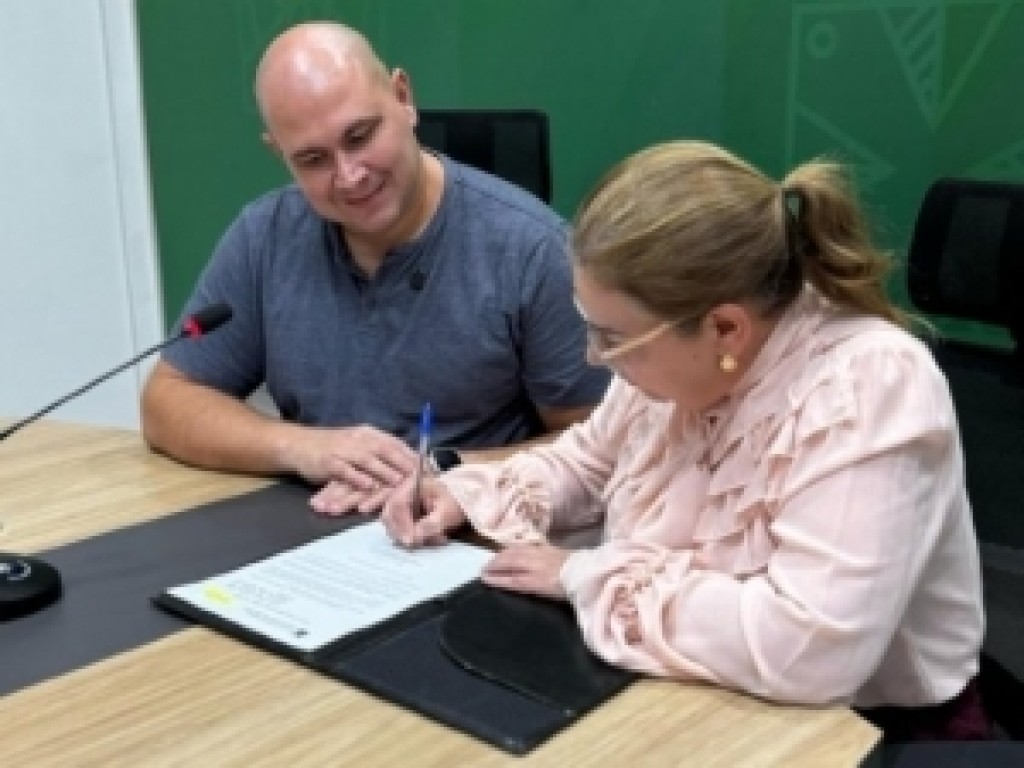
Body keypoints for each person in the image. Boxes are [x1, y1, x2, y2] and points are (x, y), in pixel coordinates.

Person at [382, 140, 989, 741]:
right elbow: (587, 463)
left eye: (612, 338)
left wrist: (582, 576)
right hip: (684, 697)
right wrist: (469, 494)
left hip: (860, 733)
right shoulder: (676, 363)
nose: (594, 357)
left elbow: (810, 648)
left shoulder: (868, 386)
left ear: (725, 328)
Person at [141, 22, 609, 515]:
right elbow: (168, 400)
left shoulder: (532, 250)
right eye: (313, 159)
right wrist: (303, 447)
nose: (349, 176)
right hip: (317, 530)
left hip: (472, 532)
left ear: (404, 98)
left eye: (360, 136)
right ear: (279, 153)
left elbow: (605, 445)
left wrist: (447, 472)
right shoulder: (266, 236)